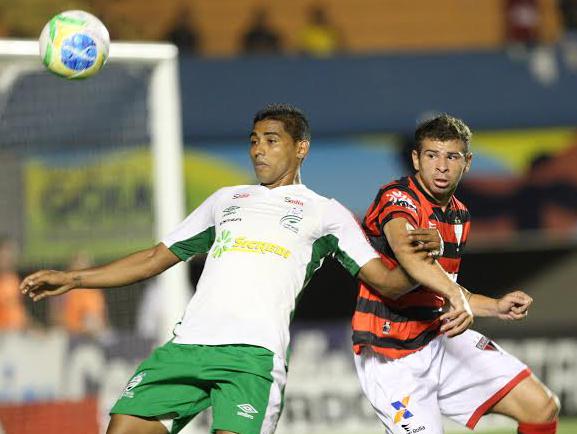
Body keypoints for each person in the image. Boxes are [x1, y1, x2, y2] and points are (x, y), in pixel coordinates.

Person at [21, 104, 470, 434]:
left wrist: (420, 259)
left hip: (253, 358)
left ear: (301, 148)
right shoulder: (225, 200)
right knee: (121, 429)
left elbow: (387, 282)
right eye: (254, 140)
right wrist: (74, 278)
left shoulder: (326, 213)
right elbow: (154, 259)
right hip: (187, 347)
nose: (259, 150)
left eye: (271, 140)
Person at [352, 114, 560, 434]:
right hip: (391, 357)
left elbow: (446, 287)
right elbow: (410, 257)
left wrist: (495, 306)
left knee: (541, 406)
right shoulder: (398, 199)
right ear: (416, 159)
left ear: (468, 162)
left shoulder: (459, 214)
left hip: (439, 339)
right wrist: (453, 296)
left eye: (452, 156)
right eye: (432, 155)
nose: (442, 166)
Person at [48, 251, 108, 338]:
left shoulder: (95, 290)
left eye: (84, 265)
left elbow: (103, 317)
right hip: (70, 335)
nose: (81, 269)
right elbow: (54, 317)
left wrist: (98, 327)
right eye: (77, 265)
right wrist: (79, 328)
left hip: (94, 335)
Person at [0, 236, 28, 331]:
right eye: (5, 255)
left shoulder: (14, 280)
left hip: (17, 333)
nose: (9, 258)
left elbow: (19, 310)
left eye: (11, 255)